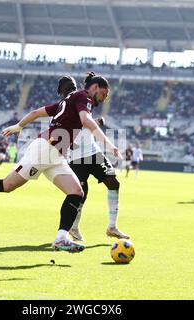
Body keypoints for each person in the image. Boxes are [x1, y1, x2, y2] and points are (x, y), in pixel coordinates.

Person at [0, 72, 122, 253]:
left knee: (76, 192)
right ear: (95, 87)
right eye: (104, 94)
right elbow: (85, 120)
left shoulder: (66, 101)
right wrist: (109, 144)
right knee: (7, 185)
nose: (104, 99)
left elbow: (37, 113)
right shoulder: (84, 97)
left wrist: (19, 126)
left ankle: (61, 238)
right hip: (44, 151)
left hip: (56, 156)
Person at [54, 75, 129, 241]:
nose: (104, 98)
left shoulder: (83, 99)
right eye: (104, 93)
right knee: (80, 193)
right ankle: (72, 227)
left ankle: (112, 226)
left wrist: (96, 122)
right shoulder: (67, 104)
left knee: (113, 182)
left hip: (92, 152)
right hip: (75, 157)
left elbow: (83, 122)